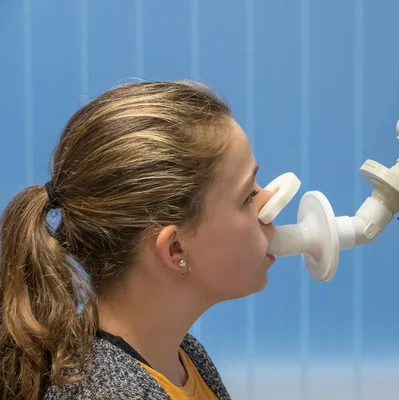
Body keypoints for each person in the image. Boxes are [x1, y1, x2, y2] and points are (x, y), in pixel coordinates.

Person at [0, 81, 277, 400]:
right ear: (175, 249)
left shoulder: (178, 355)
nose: (268, 201)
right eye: (247, 196)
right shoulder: (112, 392)